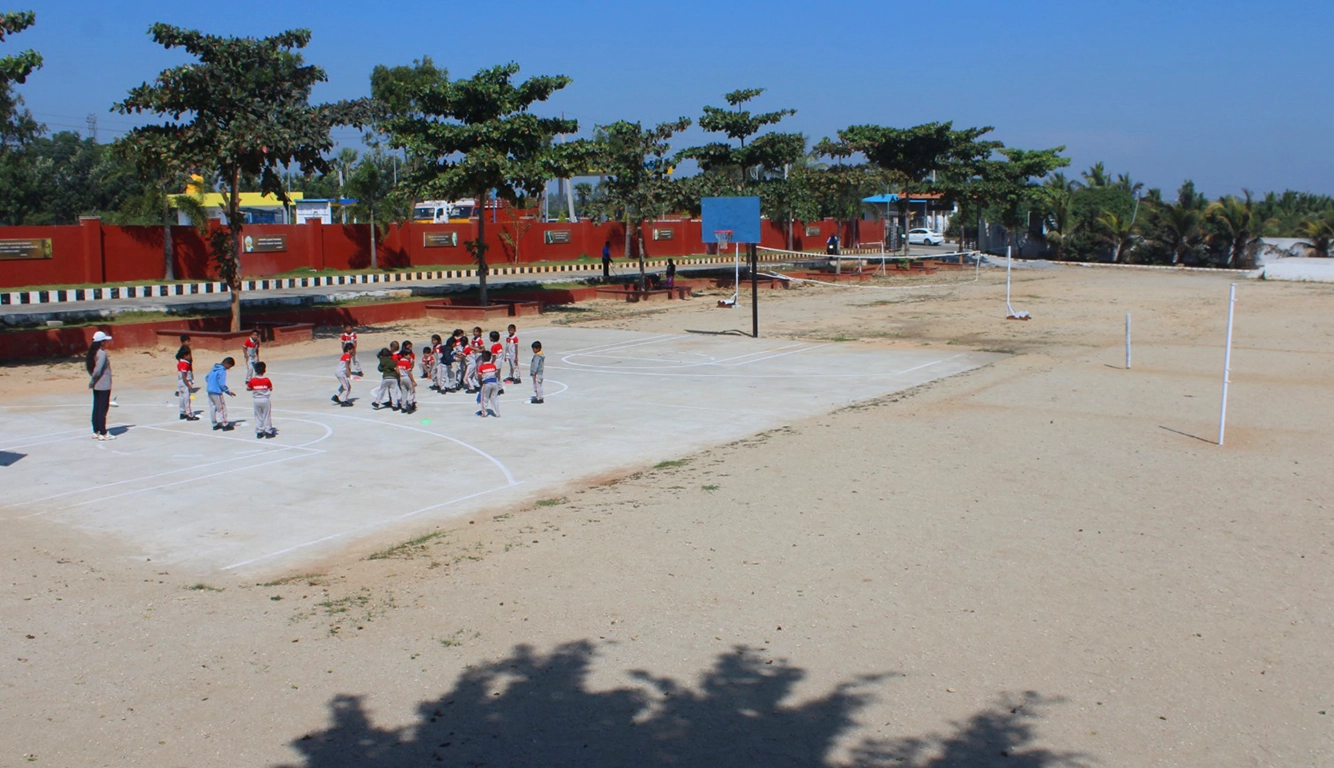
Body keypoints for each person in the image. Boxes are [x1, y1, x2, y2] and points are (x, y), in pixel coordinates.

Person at [86, 330, 115, 440]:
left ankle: (96, 430)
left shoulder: (93, 353)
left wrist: (93, 381)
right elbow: (97, 370)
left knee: (97, 407)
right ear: (101, 342)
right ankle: (103, 431)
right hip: (103, 384)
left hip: (98, 385)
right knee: (102, 408)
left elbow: (91, 368)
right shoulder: (101, 354)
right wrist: (93, 380)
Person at [205, 357, 237, 431]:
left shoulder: (214, 368)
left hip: (210, 391)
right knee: (221, 408)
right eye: (229, 366)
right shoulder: (222, 371)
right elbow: (222, 384)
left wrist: (211, 383)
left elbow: (206, 377)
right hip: (217, 392)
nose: (228, 368)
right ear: (226, 363)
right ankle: (225, 424)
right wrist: (228, 391)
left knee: (212, 408)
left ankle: (214, 424)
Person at [246, 361, 276, 439]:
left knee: (258, 416)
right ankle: (268, 431)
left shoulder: (252, 380)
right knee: (267, 415)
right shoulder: (266, 380)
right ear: (264, 370)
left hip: (256, 399)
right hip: (265, 399)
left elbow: (248, 388)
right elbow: (270, 388)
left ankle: (259, 431)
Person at [371, 346, 401, 411]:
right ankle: (395, 405)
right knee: (394, 391)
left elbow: (380, 369)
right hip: (393, 378)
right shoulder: (391, 360)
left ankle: (377, 402)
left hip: (385, 378)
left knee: (382, 390)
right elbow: (393, 365)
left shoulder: (382, 361)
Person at [176, 342, 199, 421]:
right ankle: (189, 414)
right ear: (185, 355)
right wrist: (188, 384)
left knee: (181, 398)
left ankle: (182, 412)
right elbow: (184, 375)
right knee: (187, 398)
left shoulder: (180, 362)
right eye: (189, 355)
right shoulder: (185, 364)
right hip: (185, 382)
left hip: (180, 382)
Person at [477, 350, 500, 417]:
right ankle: (497, 413)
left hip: (486, 383)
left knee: (484, 399)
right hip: (494, 383)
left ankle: (484, 413)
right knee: (494, 398)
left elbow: (479, 376)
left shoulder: (481, 367)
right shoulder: (493, 366)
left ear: (482, 358)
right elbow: (496, 373)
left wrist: (481, 383)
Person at [397, 340, 418, 414]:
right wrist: (413, 381)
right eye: (408, 355)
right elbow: (409, 372)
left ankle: (403, 406)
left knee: (404, 392)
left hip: (401, 378)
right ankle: (410, 403)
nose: (410, 356)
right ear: (405, 355)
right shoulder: (406, 362)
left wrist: (399, 378)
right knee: (412, 391)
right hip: (407, 377)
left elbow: (398, 371)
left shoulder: (399, 362)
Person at [333, 342, 355, 407]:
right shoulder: (347, 355)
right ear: (349, 349)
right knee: (347, 387)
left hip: (338, 372)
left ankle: (336, 396)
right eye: (352, 349)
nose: (353, 351)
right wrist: (348, 372)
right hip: (341, 372)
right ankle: (345, 401)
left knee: (343, 385)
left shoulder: (344, 354)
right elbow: (346, 364)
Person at [529, 340, 545, 405]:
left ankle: (539, 398)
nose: (533, 350)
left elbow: (535, 365)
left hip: (537, 373)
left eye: (534, 349)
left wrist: (533, 372)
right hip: (540, 373)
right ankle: (540, 397)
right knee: (540, 385)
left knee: (537, 386)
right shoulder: (541, 355)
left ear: (537, 348)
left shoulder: (537, 357)